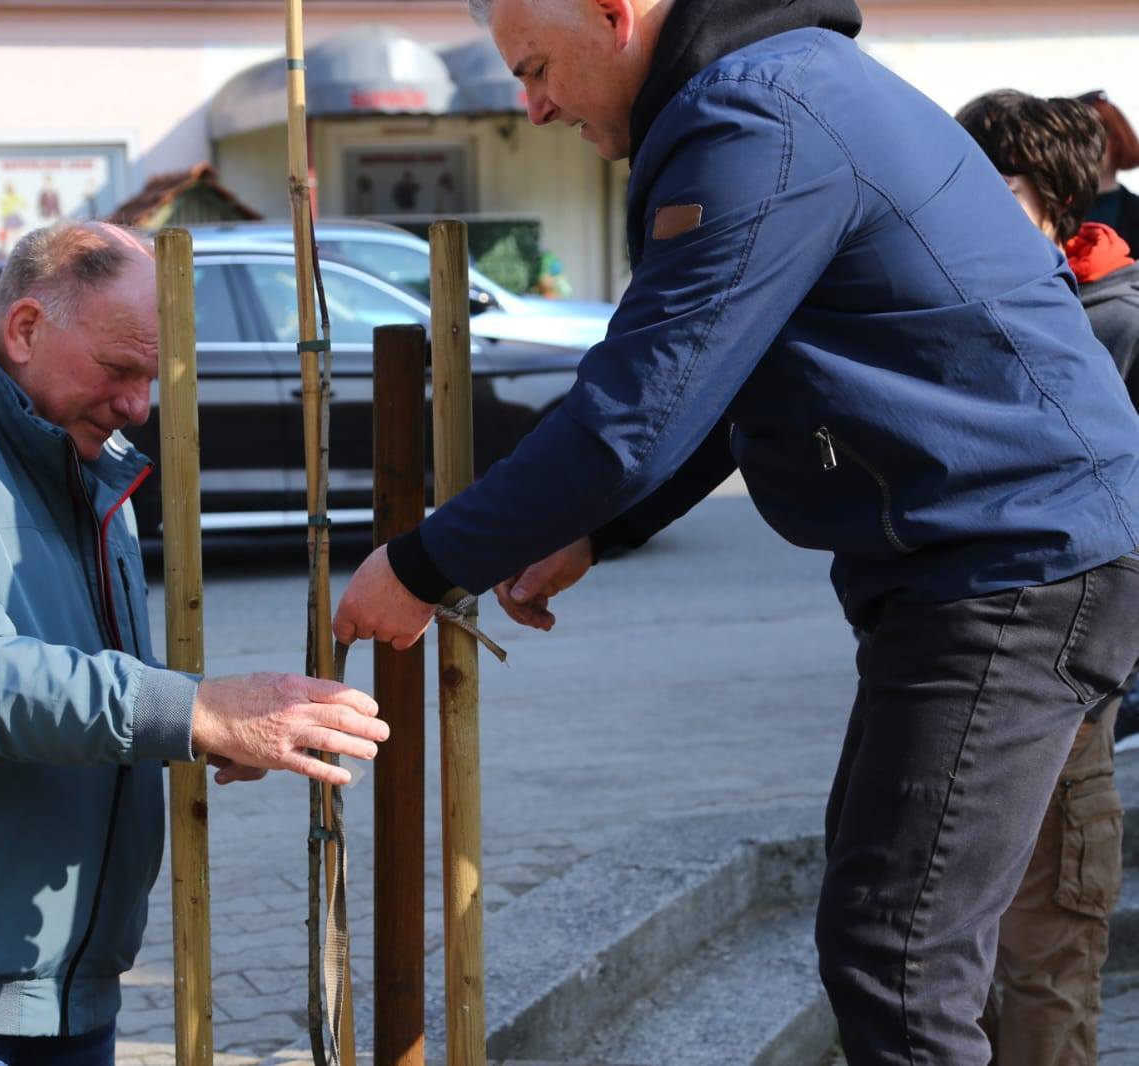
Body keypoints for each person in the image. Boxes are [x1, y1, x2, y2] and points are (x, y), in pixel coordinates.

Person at [332, 0, 1139, 1062]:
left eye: (535, 69)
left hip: (1010, 562)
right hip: (989, 555)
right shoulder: (776, 86)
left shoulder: (755, 115)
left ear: (614, 15)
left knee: (899, 961)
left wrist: (424, 564)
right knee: (885, 933)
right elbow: (731, 369)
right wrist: (601, 531)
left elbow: (635, 410)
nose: (532, 107)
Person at [0, 221, 389, 1065]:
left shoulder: (84, 451)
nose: (138, 405)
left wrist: (212, 724)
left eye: (153, 377)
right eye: (119, 369)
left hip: (63, 989)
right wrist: (194, 710)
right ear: (26, 327)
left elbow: (75, 663)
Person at [956, 88, 1139, 1066]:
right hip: (962, 672)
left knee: (1047, 961)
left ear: (1053, 197)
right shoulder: (979, 305)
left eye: (988, 183)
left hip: (1066, 687)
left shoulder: (1115, 322)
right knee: (956, 961)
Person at [1079, 91, 1139, 255]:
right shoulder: (1052, 210)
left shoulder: (1134, 211)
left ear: (1118, 140)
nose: (1088, 145)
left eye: (1095, 133)